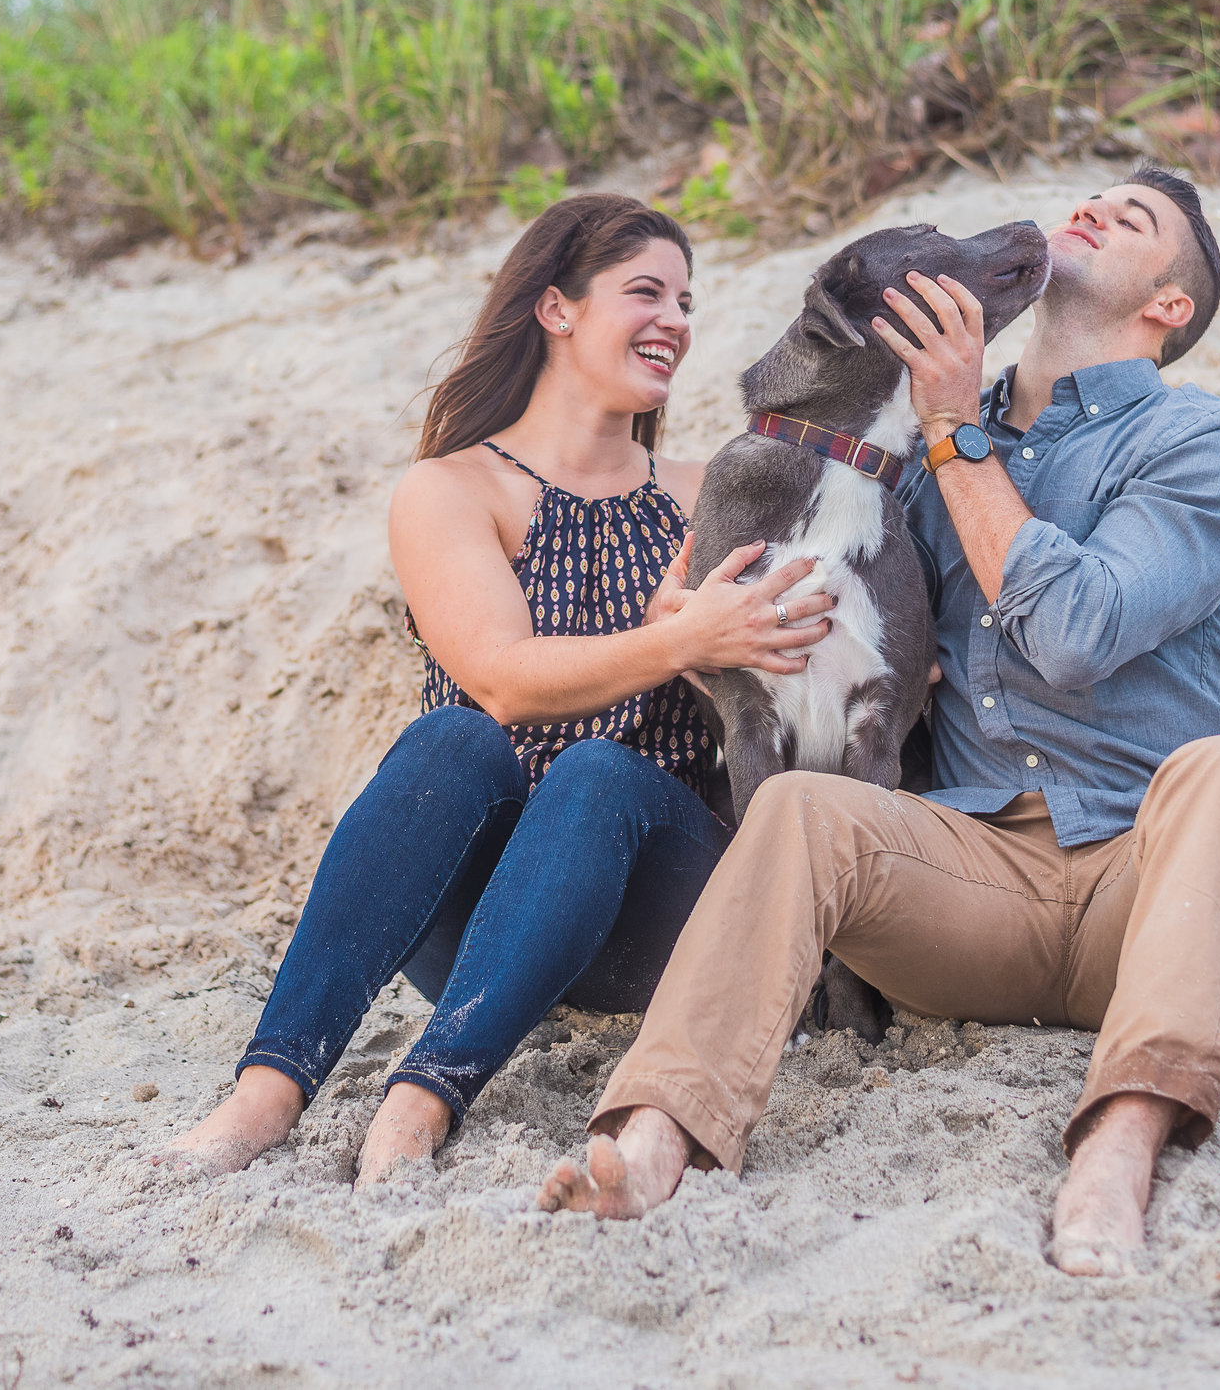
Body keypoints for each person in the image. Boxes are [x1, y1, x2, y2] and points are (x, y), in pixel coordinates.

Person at [536, 165, 1220, 1277]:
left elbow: (1077, 629)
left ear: (1166, 307)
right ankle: (653, 1138)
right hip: (973, 882)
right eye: (1092, 196)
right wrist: (703, 634)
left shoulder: (1199, 447)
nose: (1090, 210)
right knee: (798, 806)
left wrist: (954, 431)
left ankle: (1119, 1147)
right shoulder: (910, 460)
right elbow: (808, 629)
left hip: (1154, 880)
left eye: (1132, 221)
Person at [160, 193, 835, 1187]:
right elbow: (501, 682)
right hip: (478, 925)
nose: (676, 321)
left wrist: (715, 654)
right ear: (555, 308)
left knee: (603, 773)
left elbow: (815, 674)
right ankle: (265, 1093)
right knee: (452, 742)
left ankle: (423, 1097)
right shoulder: (448, 490)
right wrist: (674, 637)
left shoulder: (710, 492)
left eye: (686, 300)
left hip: (668, 909)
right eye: (644, 291)